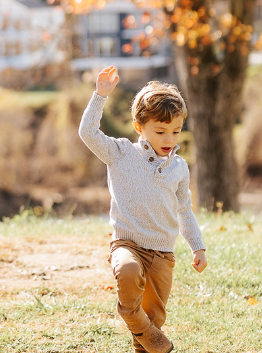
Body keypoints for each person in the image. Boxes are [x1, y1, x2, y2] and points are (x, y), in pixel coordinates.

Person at [78, 66, 207, 353]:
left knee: (153, 323)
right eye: (160, 131)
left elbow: (184, 211)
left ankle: (143, 338)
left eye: (175, 131)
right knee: (126, 270)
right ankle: (128, 312)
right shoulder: (120, 153)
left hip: (163, 254)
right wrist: (100, 95)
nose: (168, 140)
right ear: (140, 127)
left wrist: (197, 247)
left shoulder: (179, 168)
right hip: (128, 243)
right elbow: (87, 132)